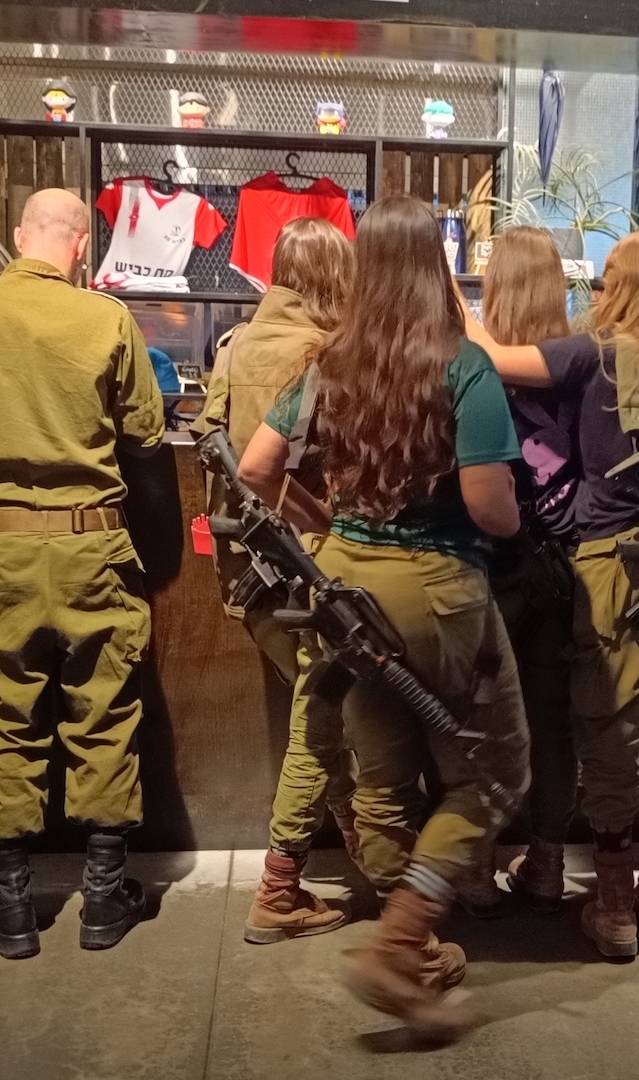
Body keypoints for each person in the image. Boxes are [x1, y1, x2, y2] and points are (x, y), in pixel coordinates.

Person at [238, 195, 529, 1041]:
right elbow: (494, 509)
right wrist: (506, 507)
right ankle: (403, 938)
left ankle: (413, 945)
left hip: (346, 592)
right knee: (494, 772)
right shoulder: (463, 365)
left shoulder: (331, 360)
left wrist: (324, 523)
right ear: (435, 267)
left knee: (383, 780)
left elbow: (256, 469)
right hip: (438, 592)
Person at [467, 229, 639, 960]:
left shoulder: (593, 354)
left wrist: (451, 294)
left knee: (609, 727)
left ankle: (616, 909)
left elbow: (492, 359)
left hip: (616, 565)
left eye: (607, 278)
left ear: (630, 284)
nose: (596, 292)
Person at [0, 189, 167, 960]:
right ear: (80, 248)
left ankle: (12, 905)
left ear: (18, 236)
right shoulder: (106, 319)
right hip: (93, 543)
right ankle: (102, 899)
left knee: (3, 716)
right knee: (103, 712)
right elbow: (147, 437)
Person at [192, 217, 365, 944]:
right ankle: (285, 884)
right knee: (321, 719)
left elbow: (210, 441)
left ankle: (367, 853)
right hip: (313, 564)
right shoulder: (324, 351)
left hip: (251, 570)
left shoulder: (232, 345)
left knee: (323, 713)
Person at [477, 226, 583, 912]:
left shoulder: (472, 364)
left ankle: (472, 865)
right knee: (554, 721)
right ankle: (546, 864)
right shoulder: (585, 360)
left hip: (492, 565)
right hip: (568, 566)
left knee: (476, 716)